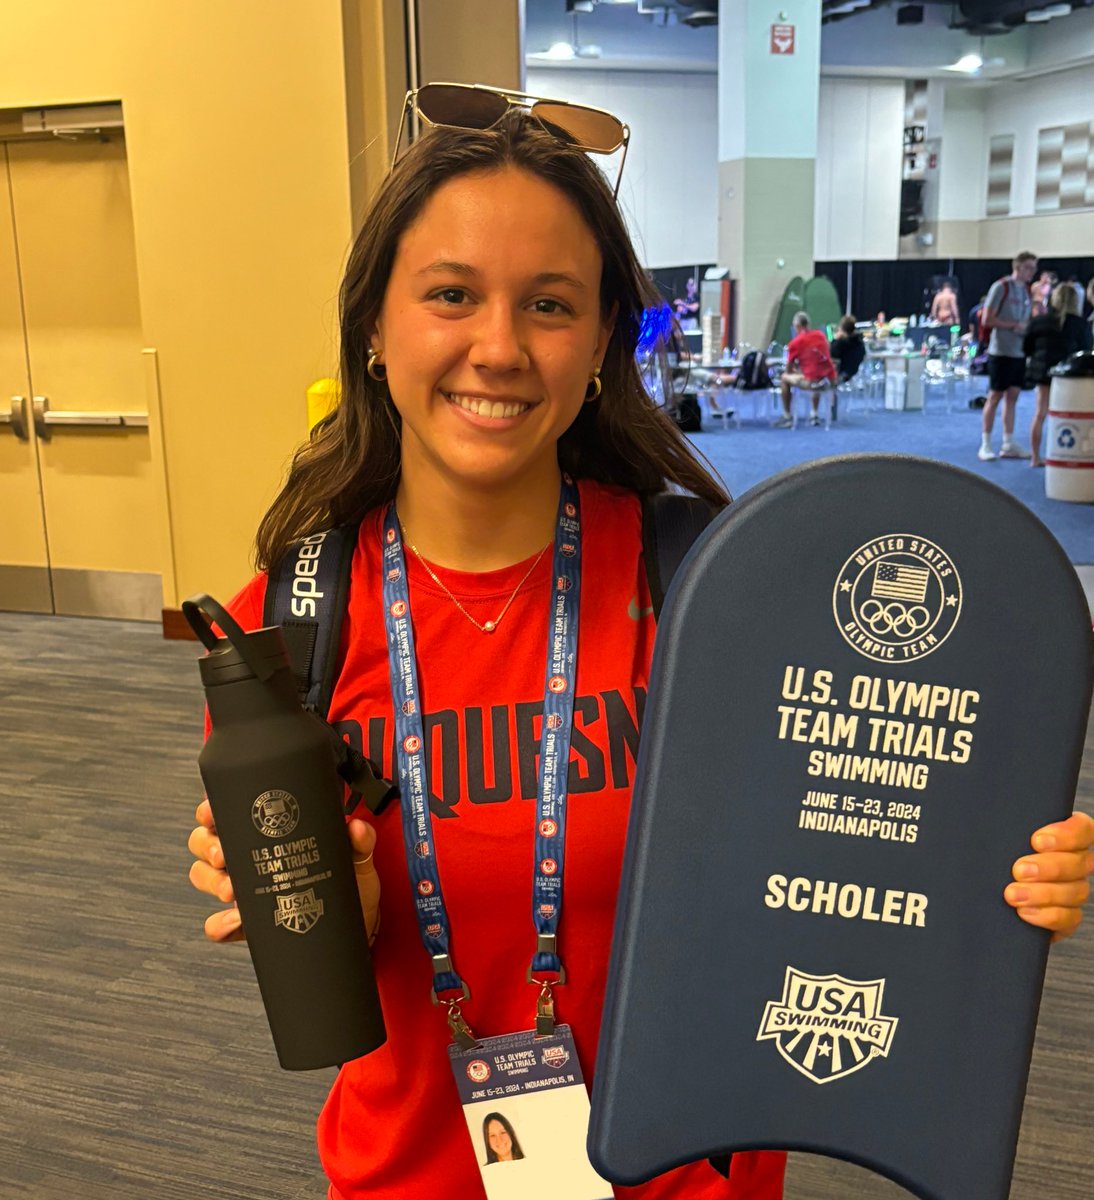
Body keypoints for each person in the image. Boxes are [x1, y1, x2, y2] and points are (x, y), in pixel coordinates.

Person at [186, 91, 1094, 1200]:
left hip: (688, 1179)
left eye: (551, 305)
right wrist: (342, 914)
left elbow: (849, 847)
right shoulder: (291, 625)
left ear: (606, 338)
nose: (500, 348)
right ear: (375, 326)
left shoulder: (719, 588)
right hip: (413, 1175)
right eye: (451, 295)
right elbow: (333, 962)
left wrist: (989, 875)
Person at [1024, 282, 1093, 468]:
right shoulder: (1079, 324)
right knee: (1070, 416)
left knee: (1040, 414)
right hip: (1070, 377)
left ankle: (1035, 457)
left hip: (1043, 372)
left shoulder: (1039, 321)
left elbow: (1027, 347)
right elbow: (1086, 351)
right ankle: (1071, 456)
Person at [978, 251, 1037, 461]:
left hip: (1019, 353)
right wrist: (1013, 326)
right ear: (1018, 267)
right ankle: (985, 443)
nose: (1032, 272)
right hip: (1000, 351)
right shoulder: (1001, 287)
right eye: (1029, 267)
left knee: (1013, 397)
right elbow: (987, 320)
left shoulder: (1027, 292)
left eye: (1034, 268)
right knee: (994, 397)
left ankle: (1008, 442)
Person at [776, 311, 837, 427]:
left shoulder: (795, 343)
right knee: (815, 375)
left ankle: (787, 416)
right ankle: (814, 413)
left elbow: (788, 369)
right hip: (828, 379)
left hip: (812, 381)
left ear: (797, 326)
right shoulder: (820, 336)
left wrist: (793, 372)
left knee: (784, 378)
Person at [829, 314, 866, 382]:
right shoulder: (859, 343)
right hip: (855, 374)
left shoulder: (840, 343)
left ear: (842, 328)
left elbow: (831, 354)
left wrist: (836, 339)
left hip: (842, 375)